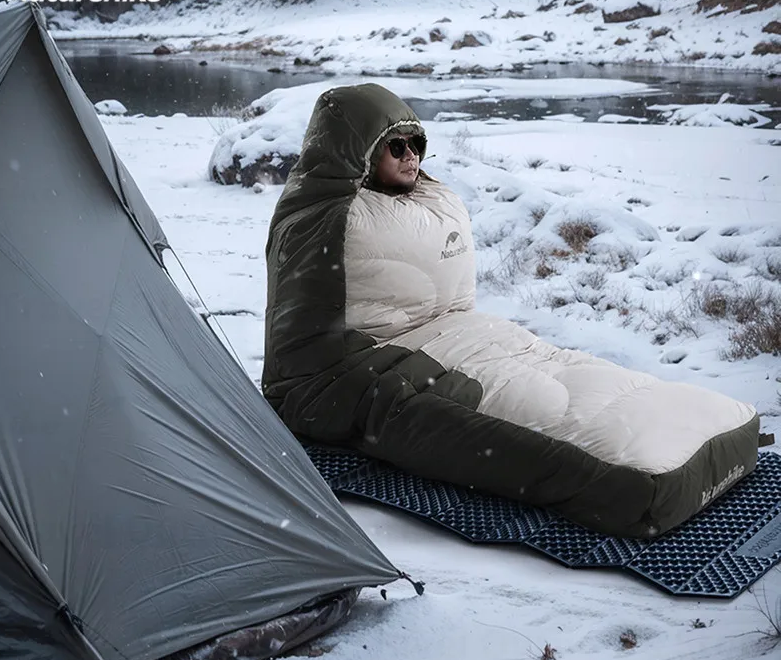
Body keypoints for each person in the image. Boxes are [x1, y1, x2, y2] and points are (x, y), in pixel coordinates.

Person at [262, 82, 759, 539]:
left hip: (461, 335)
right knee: (536, 420)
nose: (411, 155)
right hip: (360, 371)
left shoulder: (434, 200)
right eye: (396, 146)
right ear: (361, 153)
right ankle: (633, 487)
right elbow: (306, 350)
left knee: (563, 377)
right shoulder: (324, 215)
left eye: (416, 143)